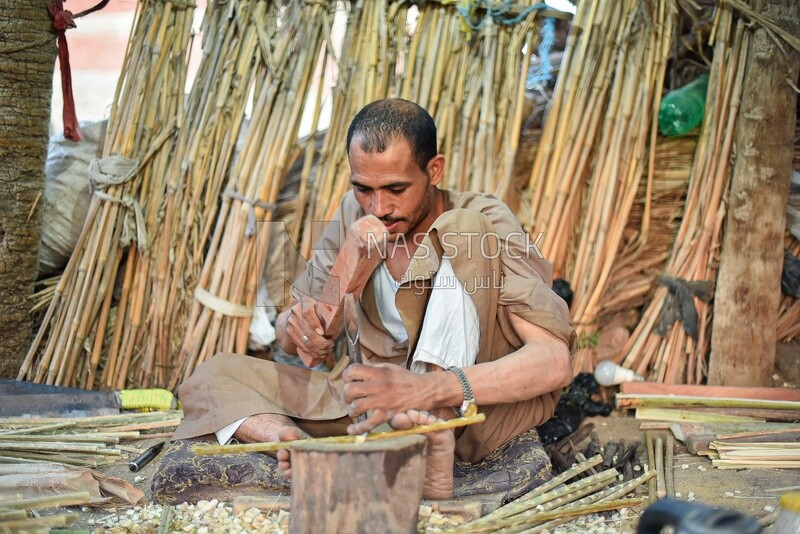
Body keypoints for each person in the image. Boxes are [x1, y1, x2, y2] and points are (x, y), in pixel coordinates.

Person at [172, 98, 574, 500]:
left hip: (466, 412)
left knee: (463, 228)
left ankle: (429, 433)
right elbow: (298, 343)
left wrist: (426, 391)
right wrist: (309, 318)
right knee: (212, 376)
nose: (378, 207)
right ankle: (295, 447)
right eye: (363, 188)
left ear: (434, 170)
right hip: (376, 406)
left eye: (396, 189)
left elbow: (553, 362)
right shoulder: (355, 215)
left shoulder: (484, 220)